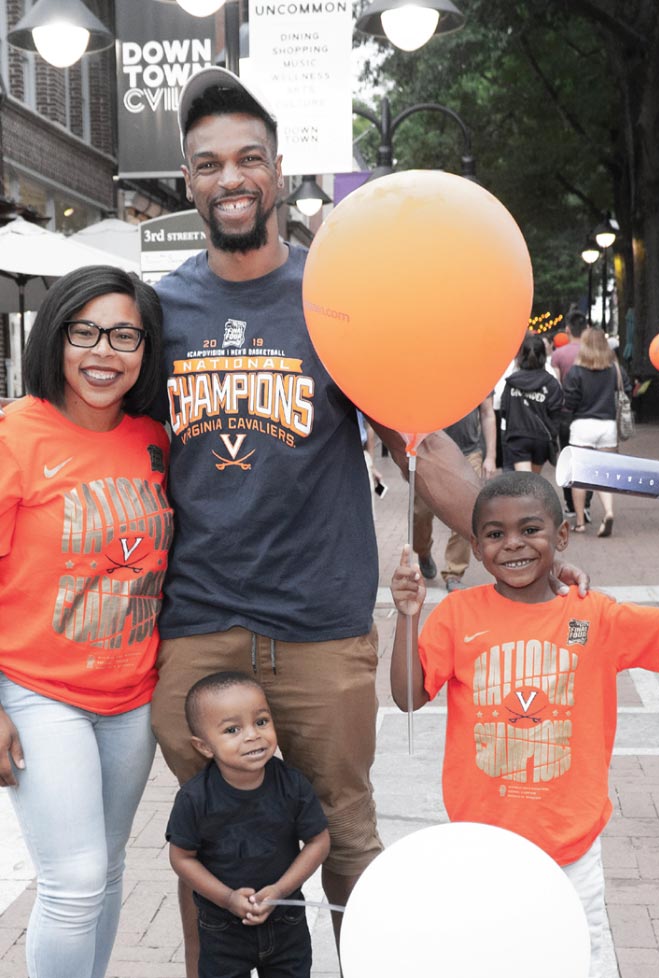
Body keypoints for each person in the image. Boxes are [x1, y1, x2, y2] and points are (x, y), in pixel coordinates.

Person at [148, 65, 590, 977]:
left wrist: (519, 552)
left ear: (276, 172)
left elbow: (419, 444)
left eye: (249, 158)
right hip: (198, 625)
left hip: (319, 627)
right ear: (187, 181)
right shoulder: (162, 311)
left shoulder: (336, 293)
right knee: (209, 853)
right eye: (208, 163)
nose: (230, 177)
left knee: (347, 840)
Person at [390, 471, 659, 978]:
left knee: (576, 958)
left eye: (530, 529)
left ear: (561, 536)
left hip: (570, 845)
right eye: (495, 535)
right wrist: (407, 616)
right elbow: (408, 696)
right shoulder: (457, 614)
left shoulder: (593, 615)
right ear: (475, 548)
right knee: (491, 957)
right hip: (484, 844)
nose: (513, 544)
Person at [0, 266, 172, 978]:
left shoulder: (153, 436)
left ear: (145, 348)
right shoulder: (15, 435)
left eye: (124, 335)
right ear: (57, 338)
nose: (104, 352)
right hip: (39, 691)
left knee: (104, 874)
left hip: (132, 697)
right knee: (72, 882)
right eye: (86, 332)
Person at [166, 672, 330, 978]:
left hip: (286, 922)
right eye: (232, 729)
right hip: (221, 928)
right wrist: (227, 898)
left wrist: (281, 889)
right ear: (203, 747)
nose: (253, 735)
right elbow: (181, 858)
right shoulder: (194, 798)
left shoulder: (292, 785)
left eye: (262, 721)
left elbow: (319, 841)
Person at [413, 398, 497, 591]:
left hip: (468, 452)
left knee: (468, 512)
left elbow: (487, 413)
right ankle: (423, 550)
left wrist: (491, 456)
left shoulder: (478, 372)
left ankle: (454, 572)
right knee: (420, 514)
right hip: (429, 451)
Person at [562, 327, 630, 537]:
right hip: (607, 425)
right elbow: (626, 387)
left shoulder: (576, 371)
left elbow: (569, 402)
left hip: (582, 425)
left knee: (580, 475)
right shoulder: (613, 369)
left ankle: (581, 522)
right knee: (605, 473)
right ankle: (608, 512)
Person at [500, 333, 563, 473]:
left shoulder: (512, 382)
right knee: (534, 481)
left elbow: (504, 410)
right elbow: (556, 412)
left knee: (525, 481)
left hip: (518, 437)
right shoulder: (551, 383)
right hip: (541, 438)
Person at [551, 309, 591, 518]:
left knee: (568, 457)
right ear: (585, 330)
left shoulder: (558, 355)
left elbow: (556, 386)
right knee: (591, 458)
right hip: (591, 412)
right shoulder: (594, 353)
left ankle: (570, 503)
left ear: (567, 330)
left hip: (566, 413)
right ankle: (587, 502)